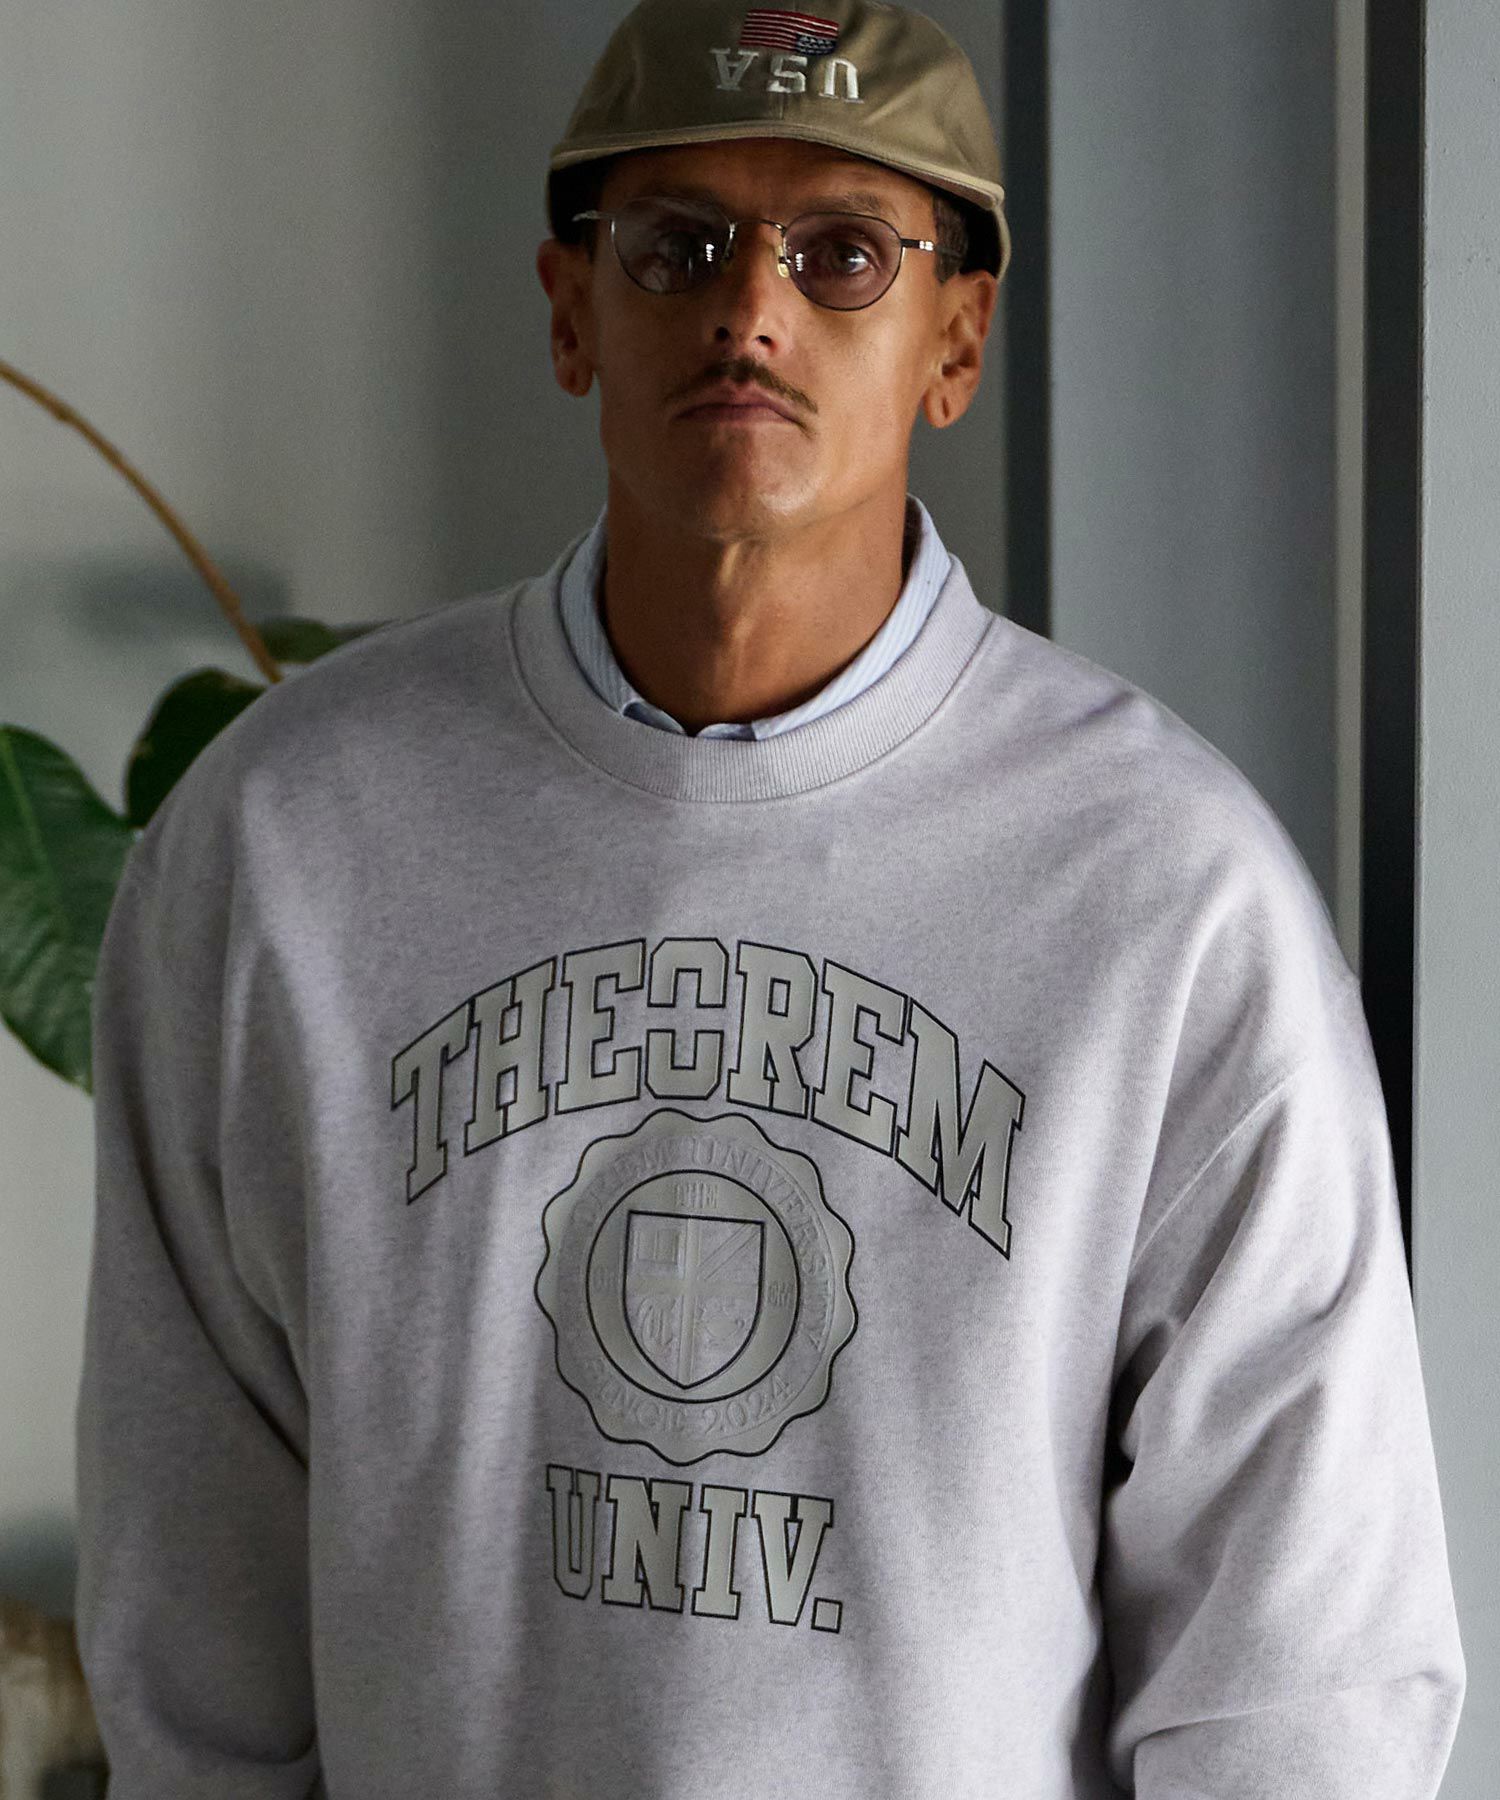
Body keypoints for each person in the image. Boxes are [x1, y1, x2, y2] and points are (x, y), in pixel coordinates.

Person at [73, 0, 1466, 1795]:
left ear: (957, 337)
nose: (750, 308)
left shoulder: (1171, 904)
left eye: (842, 253)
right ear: (570, 309)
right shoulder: (282, 847)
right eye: (678, 245)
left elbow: (1303, 1689)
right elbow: (195, 1625)